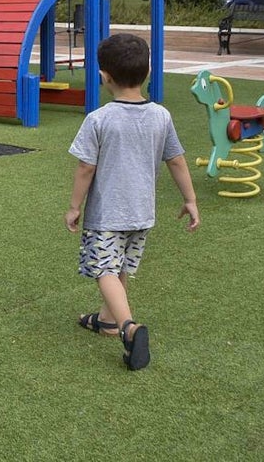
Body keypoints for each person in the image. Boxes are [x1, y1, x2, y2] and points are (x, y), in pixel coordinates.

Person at [64, 33, 200, 370]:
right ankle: (109, 320)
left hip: (107, 213)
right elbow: (177, 160)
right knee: (121, 265)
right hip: (142, 213)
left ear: (104, 76)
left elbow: (85, 167)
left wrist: (74, 206)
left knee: (103, 269)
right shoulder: (161, 116)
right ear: (148, 72)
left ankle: (129, 328)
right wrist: (191, 200)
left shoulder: (99, 119)